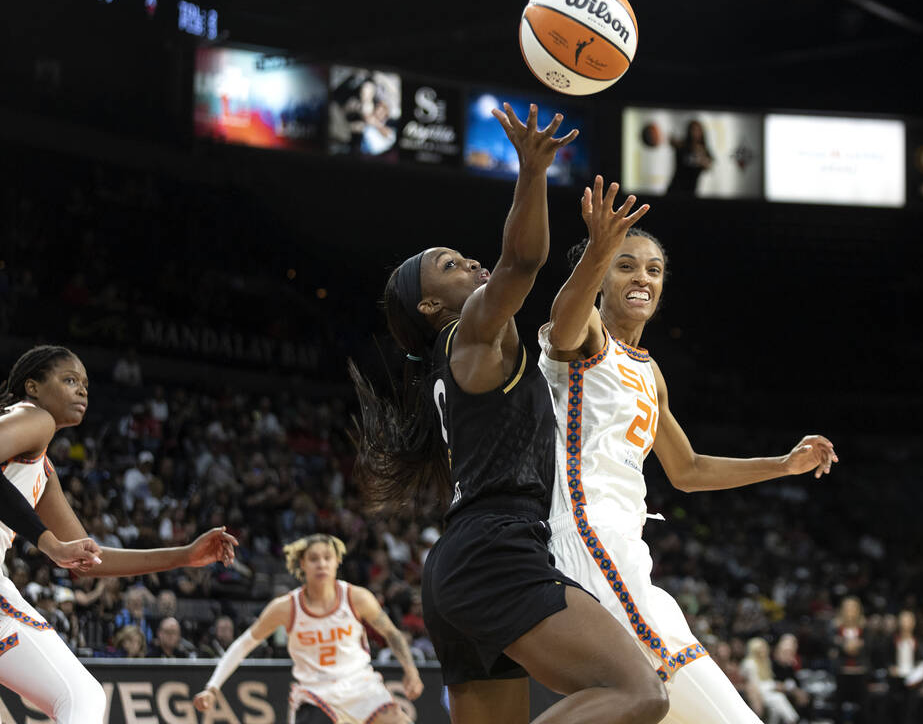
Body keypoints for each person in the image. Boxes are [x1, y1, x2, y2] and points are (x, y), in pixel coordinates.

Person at [350, 104, 669, 724]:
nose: (470, 263)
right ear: (430, 305)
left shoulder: (461, 359)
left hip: (459, 564)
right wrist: (531, 172)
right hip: (499, 551)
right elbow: (520, 263)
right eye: (449, 265)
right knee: (640, 693)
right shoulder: (467, 334)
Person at [537, 176, 837, 723]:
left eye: (653, 269)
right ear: (601, 273)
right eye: (626, 264)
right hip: (584, 531)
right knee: (707, 704)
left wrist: (783, 465)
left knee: (654, 707)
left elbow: (689, 469)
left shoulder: (649, 371)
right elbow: (563, 320)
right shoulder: (585, 339)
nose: (642, 277)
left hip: (624, 542)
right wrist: (600, 245)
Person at [0, 344, 238, 722]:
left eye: (86, 385)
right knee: (81, 698)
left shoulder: (40, 470)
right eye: (69, 380)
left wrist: (185, 556)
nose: (82, 391)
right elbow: (63, 550)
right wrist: (49, 543)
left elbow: (90, 561)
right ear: (33, 386)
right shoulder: (36, 418)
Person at [193, 534, 420, 722]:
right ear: (302, 564)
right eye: (313, 558)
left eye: (327, 558)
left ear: (336, 562)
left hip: (361, 686)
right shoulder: (286, 607)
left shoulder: (356, 597)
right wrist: (212, 687)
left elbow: (391, 633)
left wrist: (410, 670)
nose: (321, 563)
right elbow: (244, 645)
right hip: (315, 693)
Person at [666, 119, 713, 195]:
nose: (695, 133)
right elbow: (674, 143)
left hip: (691, 190)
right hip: (676, 188)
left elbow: (709, 165)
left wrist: (701, 157)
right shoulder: (683, 146)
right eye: (693, 130)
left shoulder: (703, 149)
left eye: (697, 130)